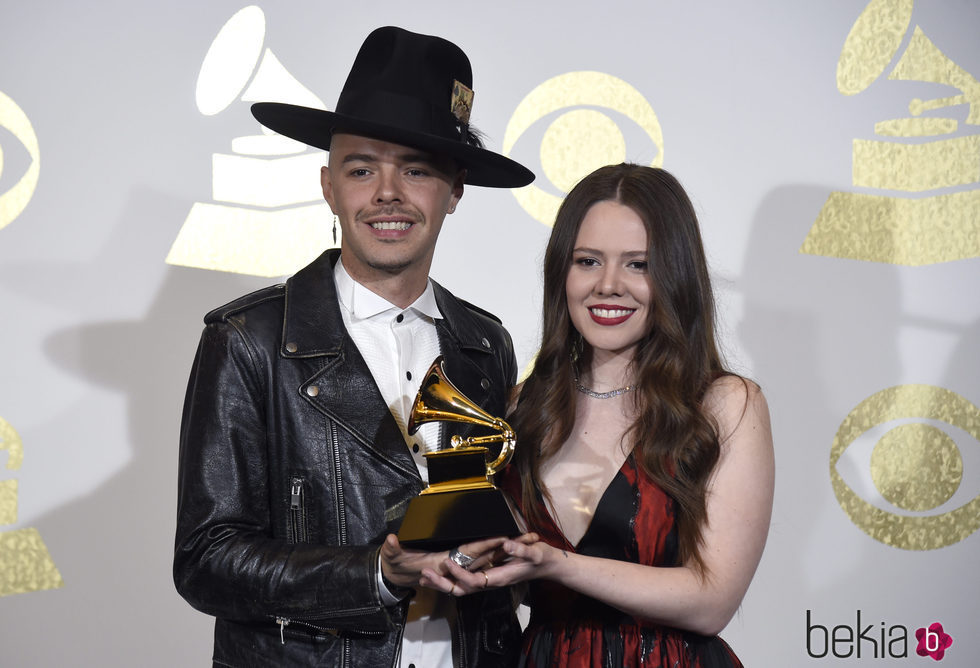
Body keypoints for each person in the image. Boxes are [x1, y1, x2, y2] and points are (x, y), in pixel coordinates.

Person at [173, 26, 535, 667]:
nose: (387, 194)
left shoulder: (485, 343)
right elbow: (206, 561)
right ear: (328, 185)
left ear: (455, 191)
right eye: (361, 169)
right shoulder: (247, 342)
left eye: (416, 170)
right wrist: (374, 573)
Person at [421, 164, 775, 667]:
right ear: (561, 272)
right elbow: (510, 579)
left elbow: (712, 600)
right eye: (588, 261)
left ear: (675, 276)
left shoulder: (725, 404)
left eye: (638, 265)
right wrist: (461, 563)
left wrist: (558, 565)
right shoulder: (524, 406)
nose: (608, 285)